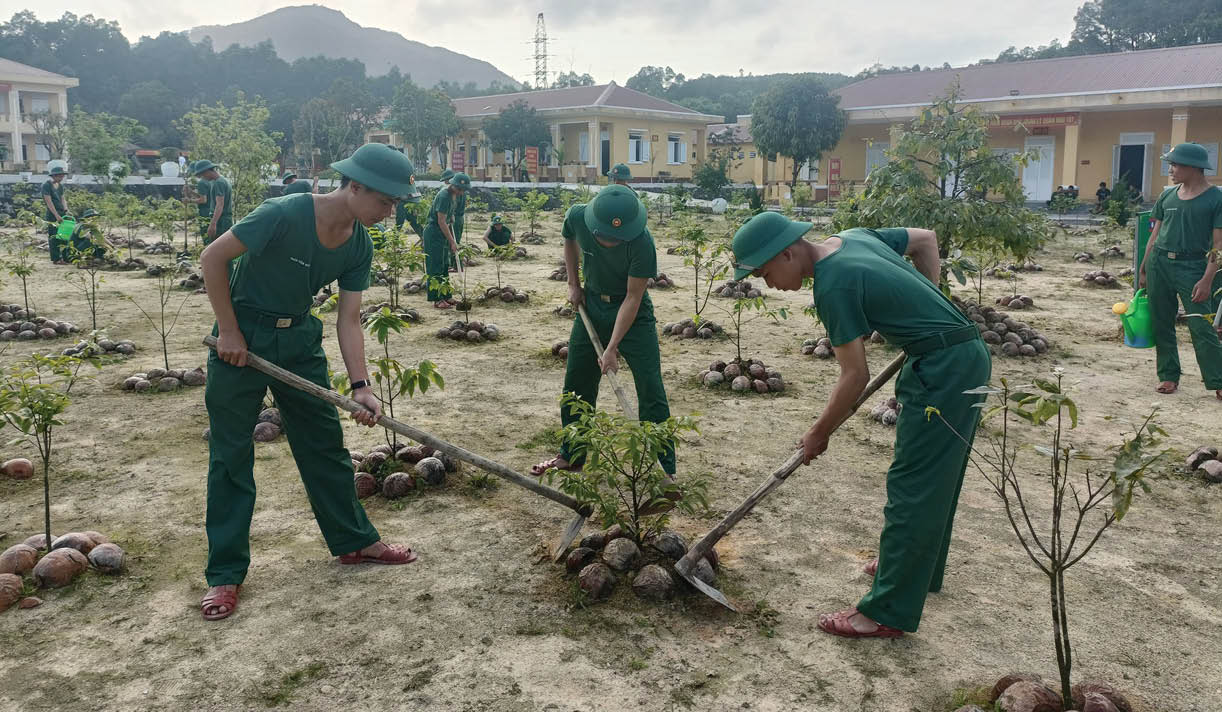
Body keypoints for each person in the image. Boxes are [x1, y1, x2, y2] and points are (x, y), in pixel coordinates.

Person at [729, 212, 991, 639]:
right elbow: (925, 237)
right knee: (936, 479)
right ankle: (911, 569)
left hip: (944, 369)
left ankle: (885, 612)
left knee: (914, 485)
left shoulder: (833, 285)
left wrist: (819, 433)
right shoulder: (851, 238)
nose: (766, 282)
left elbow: (854, 375)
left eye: (764, 271)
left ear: (789, 253)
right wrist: (927, 304)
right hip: (957, 353)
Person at [197, 142, 419, 622]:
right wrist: (229, 330)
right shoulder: (284, 213)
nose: (390, 210)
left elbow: (350, 318)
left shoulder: (360, 243)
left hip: (298, 339)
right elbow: (213, 258)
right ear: (354, 186)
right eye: (385, 200)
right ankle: (225, 573)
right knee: (231, 455)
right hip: (242, 337)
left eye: (396, 203)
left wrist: (361, 384)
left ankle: (356, 543)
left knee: (324, 445)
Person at [531, 185, 677, 488]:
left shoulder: (642, 244)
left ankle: (665, 470)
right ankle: (572, 453)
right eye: (604, 237)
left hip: (632, 314)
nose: (610, 243)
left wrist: (611, 349)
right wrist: (573, 282)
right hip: (592, 304)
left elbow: (633, 299)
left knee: (650, 386)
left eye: (617, 239)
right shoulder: (579, 215)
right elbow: (569, 237)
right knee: (577, 382)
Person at [1138, 142, 1222, 400]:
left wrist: (1208, 278)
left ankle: (1217, 379)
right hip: (1159, 264)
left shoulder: (1216, 198)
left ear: (1194, 168)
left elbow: (1219, 244)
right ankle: (1168, 375)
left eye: (1176, 164)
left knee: (1201, 325)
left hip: (1193, 267)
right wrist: (1144, 267)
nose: (1171, 169)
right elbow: (1156, 233)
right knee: (1162, 322)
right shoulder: (1167, 195)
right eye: (1171, 164)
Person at [422, 171, 468, 309]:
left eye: (463, 190)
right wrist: (452, 241)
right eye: (459, 189)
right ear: (452, 185)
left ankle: (446, 295)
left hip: (443, 231)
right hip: (434, 232)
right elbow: (441, 221)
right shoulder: (443, 196)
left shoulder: (455, 195)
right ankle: (436, 299)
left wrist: (452, 217)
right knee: (435, 265)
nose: (461, 192)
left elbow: (449, 214)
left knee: (444, 265)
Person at [193, 160, 233, 245]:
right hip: (224, 219)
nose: (203, 178)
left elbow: (220, 204)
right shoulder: (222, 180)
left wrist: (213, 224)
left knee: (217, 248)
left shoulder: (219, 183)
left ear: (207, 171)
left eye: (202, 175)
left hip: (221, 221)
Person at [42, 165, 69, 264]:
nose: (61, 178)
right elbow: (49, 202)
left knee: (64, 235)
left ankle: (65, 256)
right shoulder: (47, 185)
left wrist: (66, 209)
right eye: (60, 176)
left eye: (62, 176)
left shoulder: (60, 186)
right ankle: (56, 258)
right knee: (53, 236)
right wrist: (56, 215)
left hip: (62, 212)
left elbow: (62, 198)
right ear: (54, 176)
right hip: (52, 214)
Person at [184, 161, 213, 239]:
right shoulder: (208, 181)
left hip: (205, 211)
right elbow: (202, 196)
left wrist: (189, 200)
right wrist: (191, 192)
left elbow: (203, 200)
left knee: (205, 233)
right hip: (211, 210)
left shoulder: (201, 183)